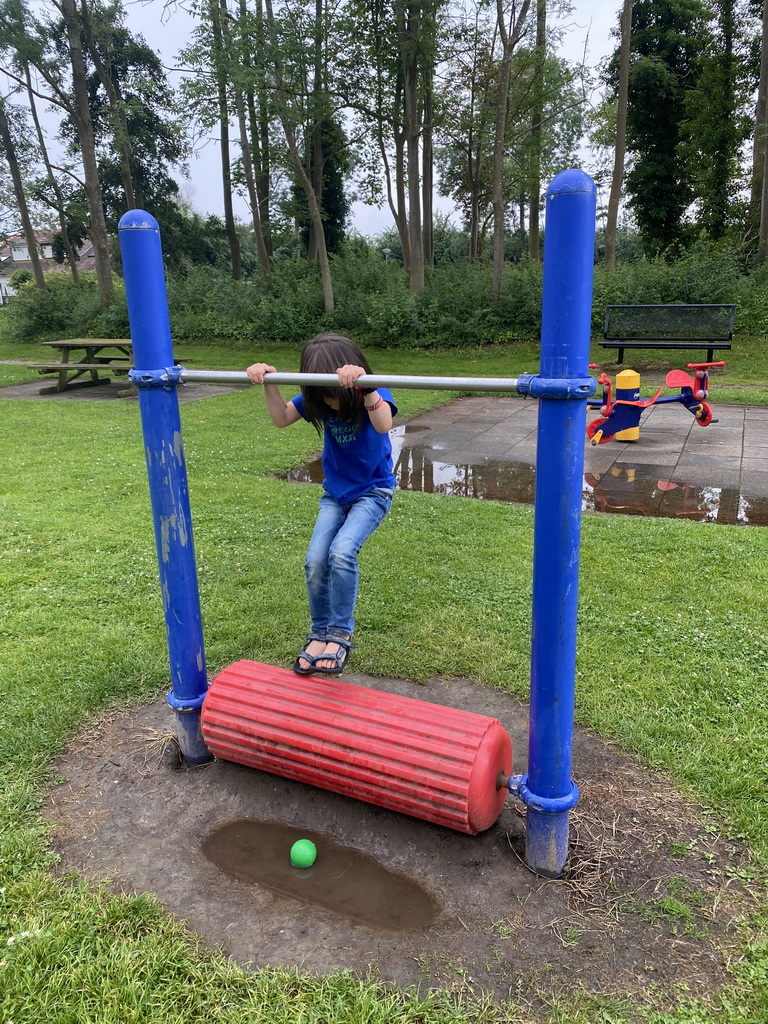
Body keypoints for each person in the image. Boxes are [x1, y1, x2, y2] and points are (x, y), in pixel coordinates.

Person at [246, 333, 397, 675]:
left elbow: (384, 423)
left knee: (342, 552)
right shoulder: (317, 395)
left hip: (373, 491)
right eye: (322, 396)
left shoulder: (370, 390)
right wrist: (269, 381)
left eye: (333, 395)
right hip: (335, 493)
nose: (329, 403)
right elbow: (282, 417)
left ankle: (340, 633)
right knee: (315, 560)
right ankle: (320, 631)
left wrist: (366, 387)